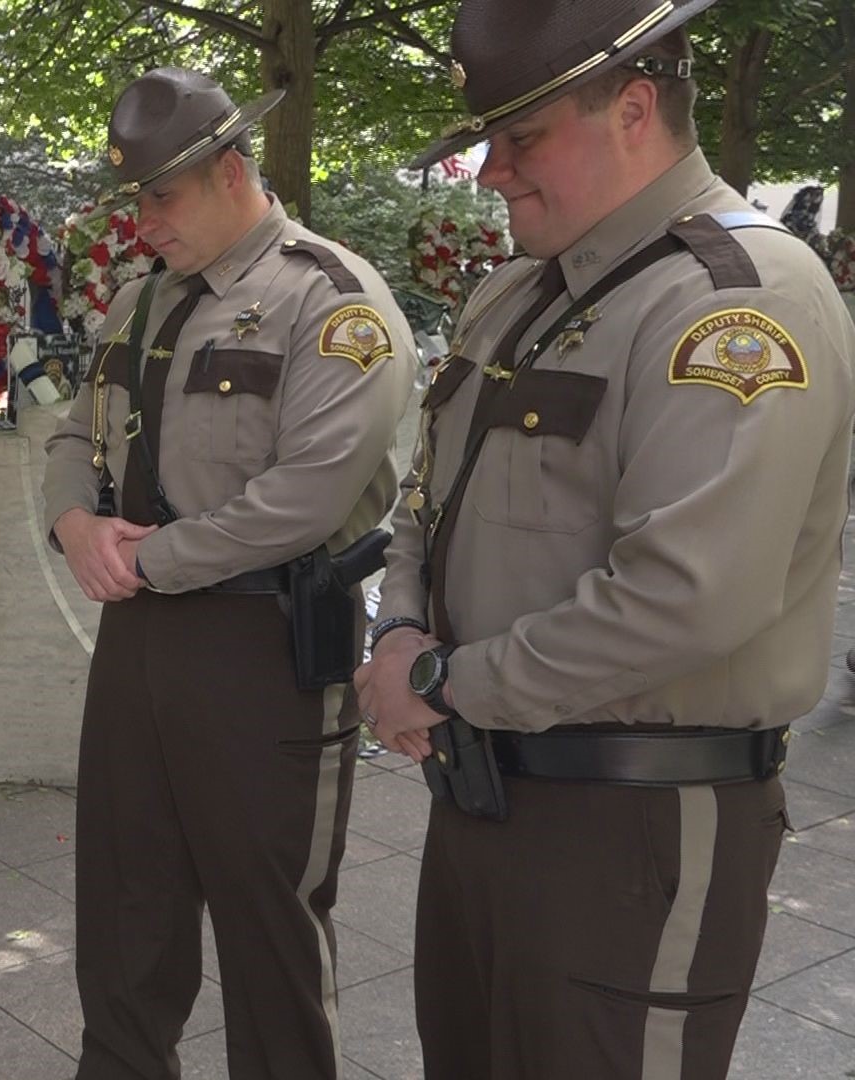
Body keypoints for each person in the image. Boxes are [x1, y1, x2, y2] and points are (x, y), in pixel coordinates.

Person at [353, 1, 855, 1076]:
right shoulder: (519, 294)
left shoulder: (733, 305)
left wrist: (438, 682)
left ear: (634, 109)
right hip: (488, 794)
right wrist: (399, 631)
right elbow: (427, 501)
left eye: (522, 138)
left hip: (637, 826)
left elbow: (686, 598)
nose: (491, 171)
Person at [42, 67, 414, 1079]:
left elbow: (309, 496)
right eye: (135, 202)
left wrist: (145, 557)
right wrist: (76, 521)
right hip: (140, 640)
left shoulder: (330, 302)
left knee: (269, 925)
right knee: (124, 908)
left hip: (265, 648)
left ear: (232, 171)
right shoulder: (139, 303)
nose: (143, 225)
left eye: (161, 197)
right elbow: (77, 429)